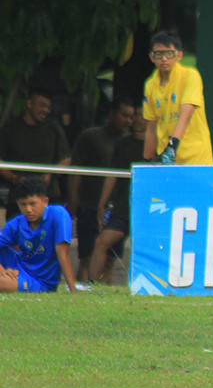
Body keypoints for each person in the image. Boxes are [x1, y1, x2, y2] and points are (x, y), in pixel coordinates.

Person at [67, 96, 135, 282]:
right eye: (124, 115)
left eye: (131, 117)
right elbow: (76, 171)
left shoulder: (129, 142)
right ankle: (84, 290)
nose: (128, 121)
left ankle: (105, 292)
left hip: (116, 209)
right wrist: (73, 201)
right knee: (87, 257)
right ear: (112, 114)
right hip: (89, 205)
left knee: (110, 259)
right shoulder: (91, 136)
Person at [88, 103, 149, 284]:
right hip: (122, 208)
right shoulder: (123, 144)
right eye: (135, 114)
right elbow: (112, 175)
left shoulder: (157, 147)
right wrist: (102, 203)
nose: (137, 119)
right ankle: (91, 285)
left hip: (147, 209)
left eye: (141, 115)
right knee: (102, 243)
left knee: (143, 249)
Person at [141, 31, 213, 165]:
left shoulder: (190, 76)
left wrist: (172, 147)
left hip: (196, 159)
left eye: (169, 53)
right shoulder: (150, 85)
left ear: (179, 55)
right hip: (167, 161)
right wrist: (147, 160)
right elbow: (151, 126)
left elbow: (184, 116)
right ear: (151, 57)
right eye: (158, 54)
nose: (164, 59)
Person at [0, 87, 71, 220]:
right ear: (30, 104)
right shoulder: (10, 129)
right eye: (42, 106)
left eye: (48, 107)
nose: (46, 111)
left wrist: (51, 174)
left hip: (49, 196)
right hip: (19, 197)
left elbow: (66, 158)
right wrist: (14, 178)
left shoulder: (54, 129)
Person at [0, 177, 76, 293]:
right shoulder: (16, 223)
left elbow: (62, 254)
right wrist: (2, 270)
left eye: (32, 204)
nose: (28, 210)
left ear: (45, 201)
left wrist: (73, 290)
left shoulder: (58, 215)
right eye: (23, 204)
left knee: (2, 283)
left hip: (38, 281)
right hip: (16, 269)